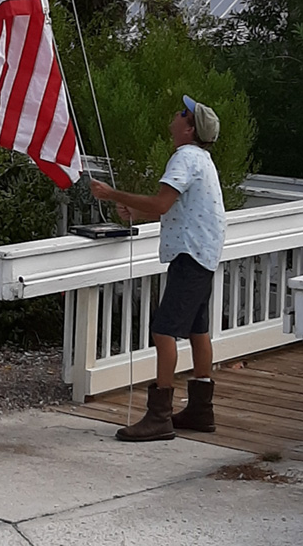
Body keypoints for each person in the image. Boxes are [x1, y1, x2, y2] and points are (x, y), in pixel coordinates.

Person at [89, 96, 225, 441]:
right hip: (204, 253)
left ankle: (159, 416)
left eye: (181, 114)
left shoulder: (185, 157)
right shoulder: (203, 160)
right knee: (197, 330)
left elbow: (162, 203)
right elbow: (171, 206)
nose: (175, 117)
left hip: (188, 254)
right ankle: (199, 410)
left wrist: (112, 194)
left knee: (164, 331)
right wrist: (136, 208)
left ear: (190, 128)